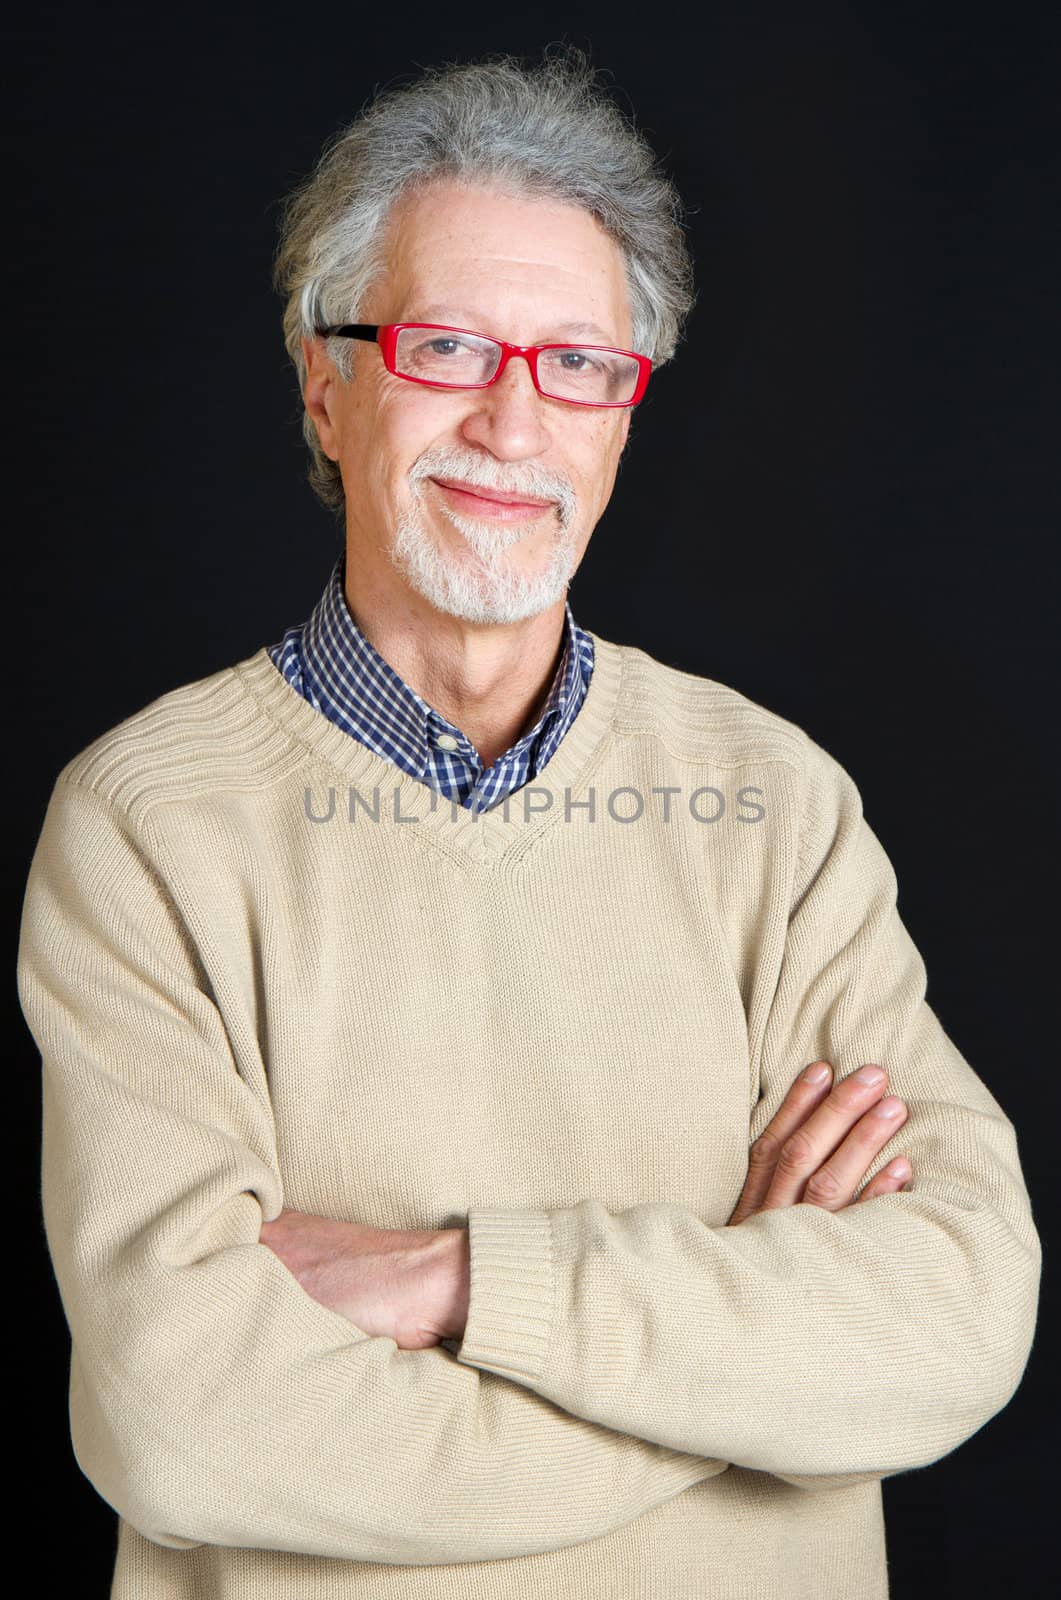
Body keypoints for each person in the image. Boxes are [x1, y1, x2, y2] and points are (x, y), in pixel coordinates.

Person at [17, 50, 1040, 1600]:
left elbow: (957, 1311)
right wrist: (739, 1379)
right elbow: (180, 1416)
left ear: (624, 418)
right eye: (446, 347)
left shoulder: (774, 803)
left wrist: (460, 1285)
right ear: (326, 383)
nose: (514, 421)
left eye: (579, 363)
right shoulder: (148, 826)